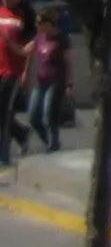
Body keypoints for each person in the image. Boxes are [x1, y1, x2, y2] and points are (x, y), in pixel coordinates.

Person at [24, 13, 70, 154]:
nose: (37, 26)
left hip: (56, 81)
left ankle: (53, 143)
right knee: (32, 116)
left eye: (39, 23)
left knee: (48, 114)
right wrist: (26, 72)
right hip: (41, 81)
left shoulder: (62, 39)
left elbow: (69, 63)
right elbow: (27, 53)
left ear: (49, 23)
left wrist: (70, 84)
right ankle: (47, 140)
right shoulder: (39, 38)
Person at [0, 0, 31, 162]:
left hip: (12, 71)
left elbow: (29, 49)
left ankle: (3, 155)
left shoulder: (23, 17)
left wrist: (26, 71)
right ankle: (21, 133)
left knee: (4, 111)